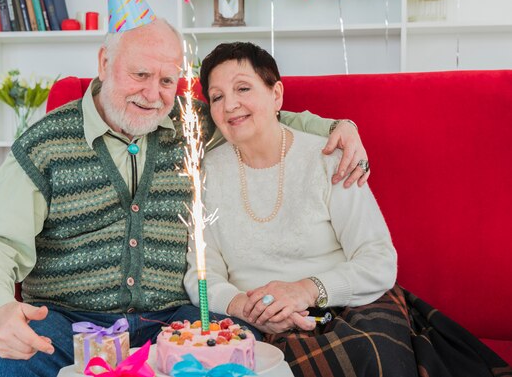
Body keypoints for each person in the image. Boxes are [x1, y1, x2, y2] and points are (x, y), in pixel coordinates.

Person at [0, 18, 372, 376]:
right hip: (66, 325)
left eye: (167, 80)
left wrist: (340, 126)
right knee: (0, 367)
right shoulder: (44, 144)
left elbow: (260, 118)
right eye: (140, 75)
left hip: (175, 321)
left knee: (239, 353)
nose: (154, 94)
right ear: (104, 64)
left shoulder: (189, 123)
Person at [184, 41, 511, 377]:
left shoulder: (329, 158)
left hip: (341, 307)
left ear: (276, 95)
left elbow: (379, 259)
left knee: (365, 355)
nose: (230, 105)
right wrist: (243, 307)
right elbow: (201, 273)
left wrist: (305, 290)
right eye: (217, 96)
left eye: (242, 88)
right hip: (250, 318)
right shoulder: (204, 171)